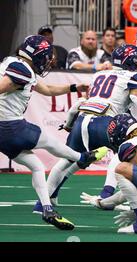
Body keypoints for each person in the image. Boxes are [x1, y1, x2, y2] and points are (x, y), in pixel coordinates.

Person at [36, 44, 137, 210]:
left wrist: (69, 124)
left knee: (65, 161)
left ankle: (43, 202)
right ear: (132, 62)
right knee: (129, 157)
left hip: (82, 120)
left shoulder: (100, 74)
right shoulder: (133, 77)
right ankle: (131, 203)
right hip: (105, 124)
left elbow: (79, 104)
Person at [0, 35, 107, 230]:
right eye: (44, 56)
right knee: (49, 141)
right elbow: (2, 86)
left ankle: (47, 209)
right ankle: (82, 157)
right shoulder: (22, 69)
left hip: (4, 130)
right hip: (10, 125)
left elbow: (47, 89)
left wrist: (75, 87)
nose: (47, 60)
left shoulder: (15, 63)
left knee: (36, 166)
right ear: (35, 55)